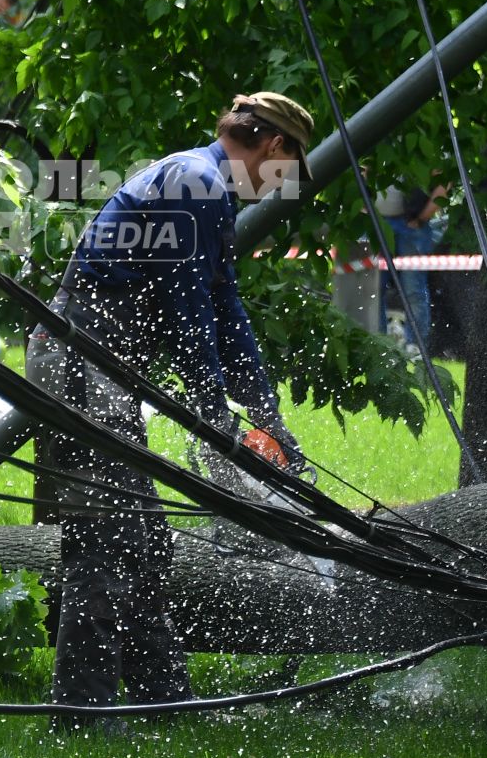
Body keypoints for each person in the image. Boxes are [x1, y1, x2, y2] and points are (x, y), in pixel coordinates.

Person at [27, 91, 315, 716]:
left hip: (99, 367)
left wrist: (266, 416)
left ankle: (165, 701)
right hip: (80, 363)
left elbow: (223, 311)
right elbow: (189, 318)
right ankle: (85, 714)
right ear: (275, 147)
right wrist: (215, 415)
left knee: (143, 539)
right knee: (105, 538)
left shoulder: (206, 189)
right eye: (291, 168)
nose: (284, 184)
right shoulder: (197, 183)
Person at [375, 181, 449, 351]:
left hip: (412, 224)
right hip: (375, 220)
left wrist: (421, 218)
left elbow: (444, 182)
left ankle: (416, 348)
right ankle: (377, 347)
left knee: (413, 289)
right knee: (372, 289)